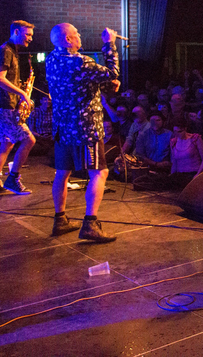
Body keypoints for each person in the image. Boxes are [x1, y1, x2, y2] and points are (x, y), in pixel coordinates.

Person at [46, 23, 120, 242]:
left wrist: (105, 85)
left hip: (62, 127)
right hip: (85, 128)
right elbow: (113, 72)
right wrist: (109, 44)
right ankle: (90, 224)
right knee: (99, 172)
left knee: (62, 172)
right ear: (68, 39)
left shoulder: (51, 59)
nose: (80, 36)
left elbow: (77, 83)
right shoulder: (81, 61)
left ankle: (60, 220)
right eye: (76, 33)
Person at [0, 20, 36, 195]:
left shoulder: (10, 51)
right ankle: (13, 179)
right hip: (5, 106)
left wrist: (17, 87)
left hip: (1, 105)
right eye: (27, 34)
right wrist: (22, 93)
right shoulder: (6, 51)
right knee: (29, 140)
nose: (30, 38)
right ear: (16, 32)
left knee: (7, 143)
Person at [169, 116, 203, 189]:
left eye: (180, 131)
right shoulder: (173, 142)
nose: (177, 134)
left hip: (193, 173)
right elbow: (174, 162)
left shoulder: (195, 139)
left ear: (185, 129)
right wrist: (171, 176)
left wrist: (198, 175)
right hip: (179, 176)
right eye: (175, 132)